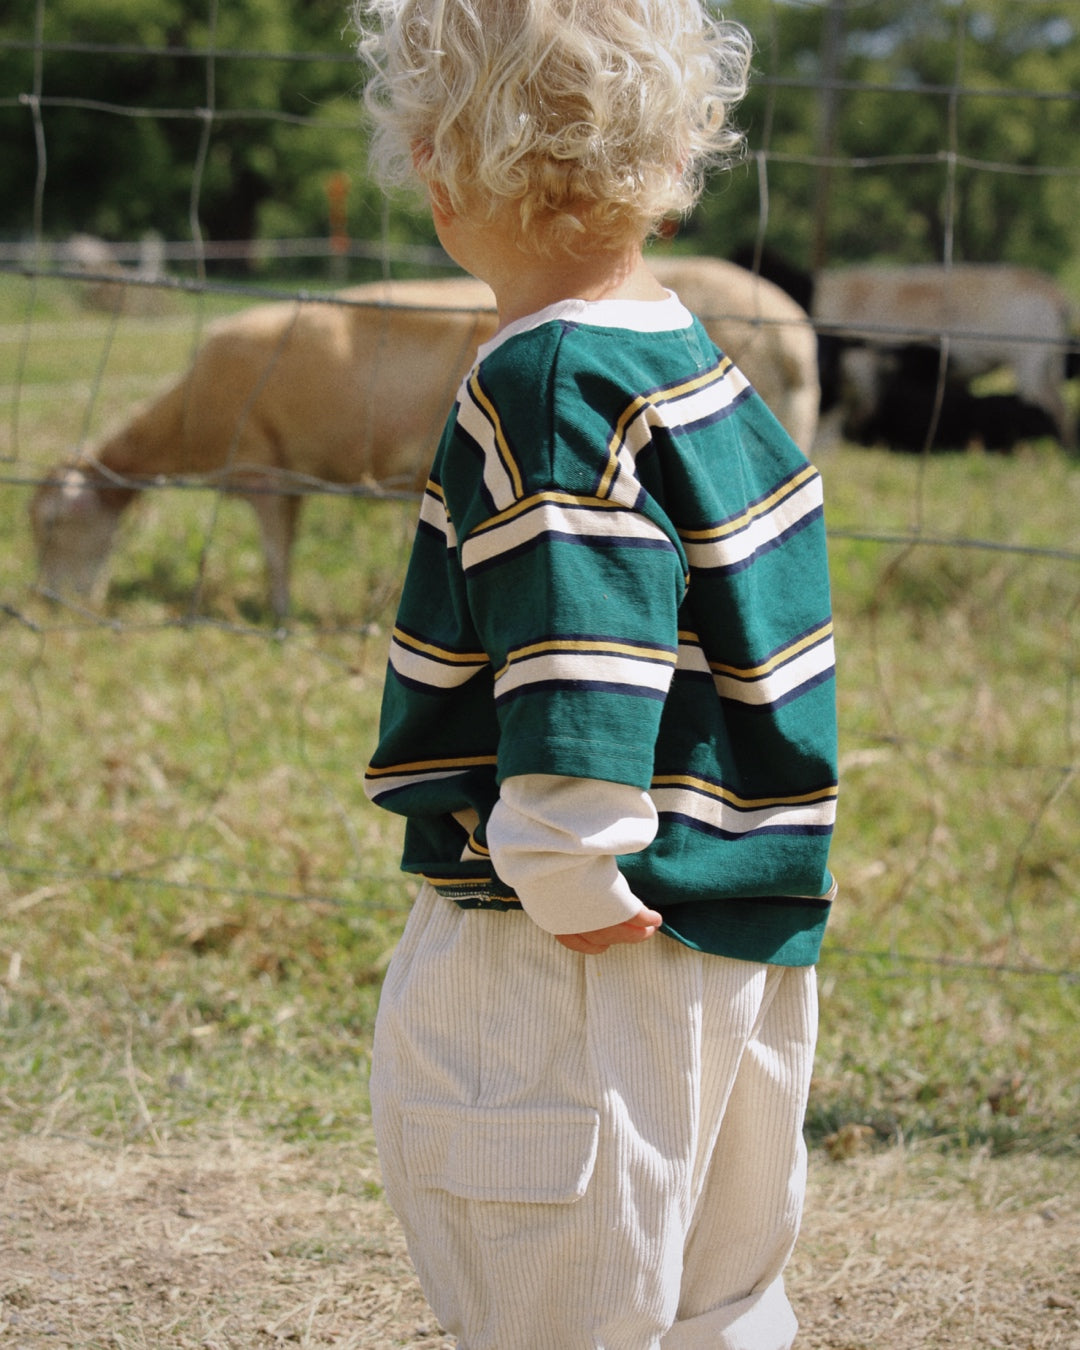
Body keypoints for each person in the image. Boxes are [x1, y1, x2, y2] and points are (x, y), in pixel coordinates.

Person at [354, 2, 839, 1346]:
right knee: (717, 1293)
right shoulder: (694, 369)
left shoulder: (547, 385)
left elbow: (584, 631)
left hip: (576, 937)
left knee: (552, 1290)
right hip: (738, 925)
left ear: (435, 162)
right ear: (676, 156)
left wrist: (565, 855)